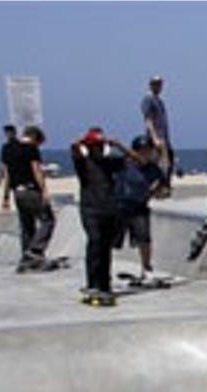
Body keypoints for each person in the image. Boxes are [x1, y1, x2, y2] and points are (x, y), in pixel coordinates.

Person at [71, 127, 124, 306]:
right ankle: (92, 283)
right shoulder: (83, 164)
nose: (99, 149)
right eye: (96, 146)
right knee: (95, 241)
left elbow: (137, 161)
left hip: (109, 209)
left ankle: (104, 284)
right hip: (90, 210)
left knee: (105, 247)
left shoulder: (110, 163)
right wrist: (84, 141)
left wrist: (119, 145)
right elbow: (73, 148)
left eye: (101, 146)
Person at [113, 133, 169, 283]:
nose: (146, 154)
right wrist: (118, 145)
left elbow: (164, 190)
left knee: (144, 238)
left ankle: (147, 268)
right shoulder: (124, 164)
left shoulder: (153, 169)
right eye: (142, 150)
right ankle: (104, 269)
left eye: (148, 151)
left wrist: (157, 192)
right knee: (113, 240)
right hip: (120, 206)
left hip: (139, 207)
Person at [0, 124, 56, 271]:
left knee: (26, 225)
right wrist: (44, 190)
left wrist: (5, 197)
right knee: (48, 220)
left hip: (17, 192)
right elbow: (36, 170)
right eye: (39, 143)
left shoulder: (7, 148)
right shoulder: (31, 148)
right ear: (34, 138)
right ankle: (35, 251)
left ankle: (26, 260)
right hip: (31, 190)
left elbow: (7, 174)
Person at [139, 75, 174, 191]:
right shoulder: (148, 99)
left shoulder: (159, 100)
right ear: (150, 85)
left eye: (159, 84)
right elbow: (148, 119)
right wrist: (154, 137)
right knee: (159, 163)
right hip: (157, 137)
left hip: (163, 136)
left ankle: (163, 186)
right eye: (155, 84)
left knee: (167, 162)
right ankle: (158, 187)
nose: (158, 86)